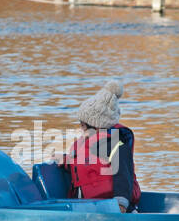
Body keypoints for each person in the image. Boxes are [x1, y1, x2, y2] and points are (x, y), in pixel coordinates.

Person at [57, 80, 141, 212]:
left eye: (83, 125)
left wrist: (121, 205)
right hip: (90, 208)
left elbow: (123, 177)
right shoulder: (84, 144)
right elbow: (83, 165)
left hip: (113, 209)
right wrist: (65, 161)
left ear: (96, 126)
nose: (80, 128)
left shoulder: (116, 146)